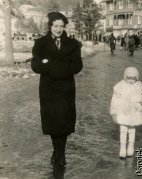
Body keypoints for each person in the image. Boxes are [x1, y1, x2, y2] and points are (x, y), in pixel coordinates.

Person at [31, 12, 83, 167]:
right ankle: (57, 151)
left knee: (64, 122)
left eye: (61, 26)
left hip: (66, 89)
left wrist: (50, 65)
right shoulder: (40, 43)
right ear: (50, 26)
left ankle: (60, 153)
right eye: (56, 26)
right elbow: (35, 65)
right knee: (53, 122)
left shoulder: (73, 44)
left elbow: (77, 65)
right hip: (49, 89)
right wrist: (53, 67)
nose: (59, 29)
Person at [110, 67, 142, 158]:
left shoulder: (139, 87)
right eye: (129, 78)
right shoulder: (120, 86)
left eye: (133, 78)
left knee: (132, 130)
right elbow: (114, 100)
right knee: (123, 129)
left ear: (136, 78)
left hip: (134, 112)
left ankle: (130, 147)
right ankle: (122, 148)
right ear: (125, 77)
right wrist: (113, 112)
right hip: (123, 111)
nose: (131, 80)